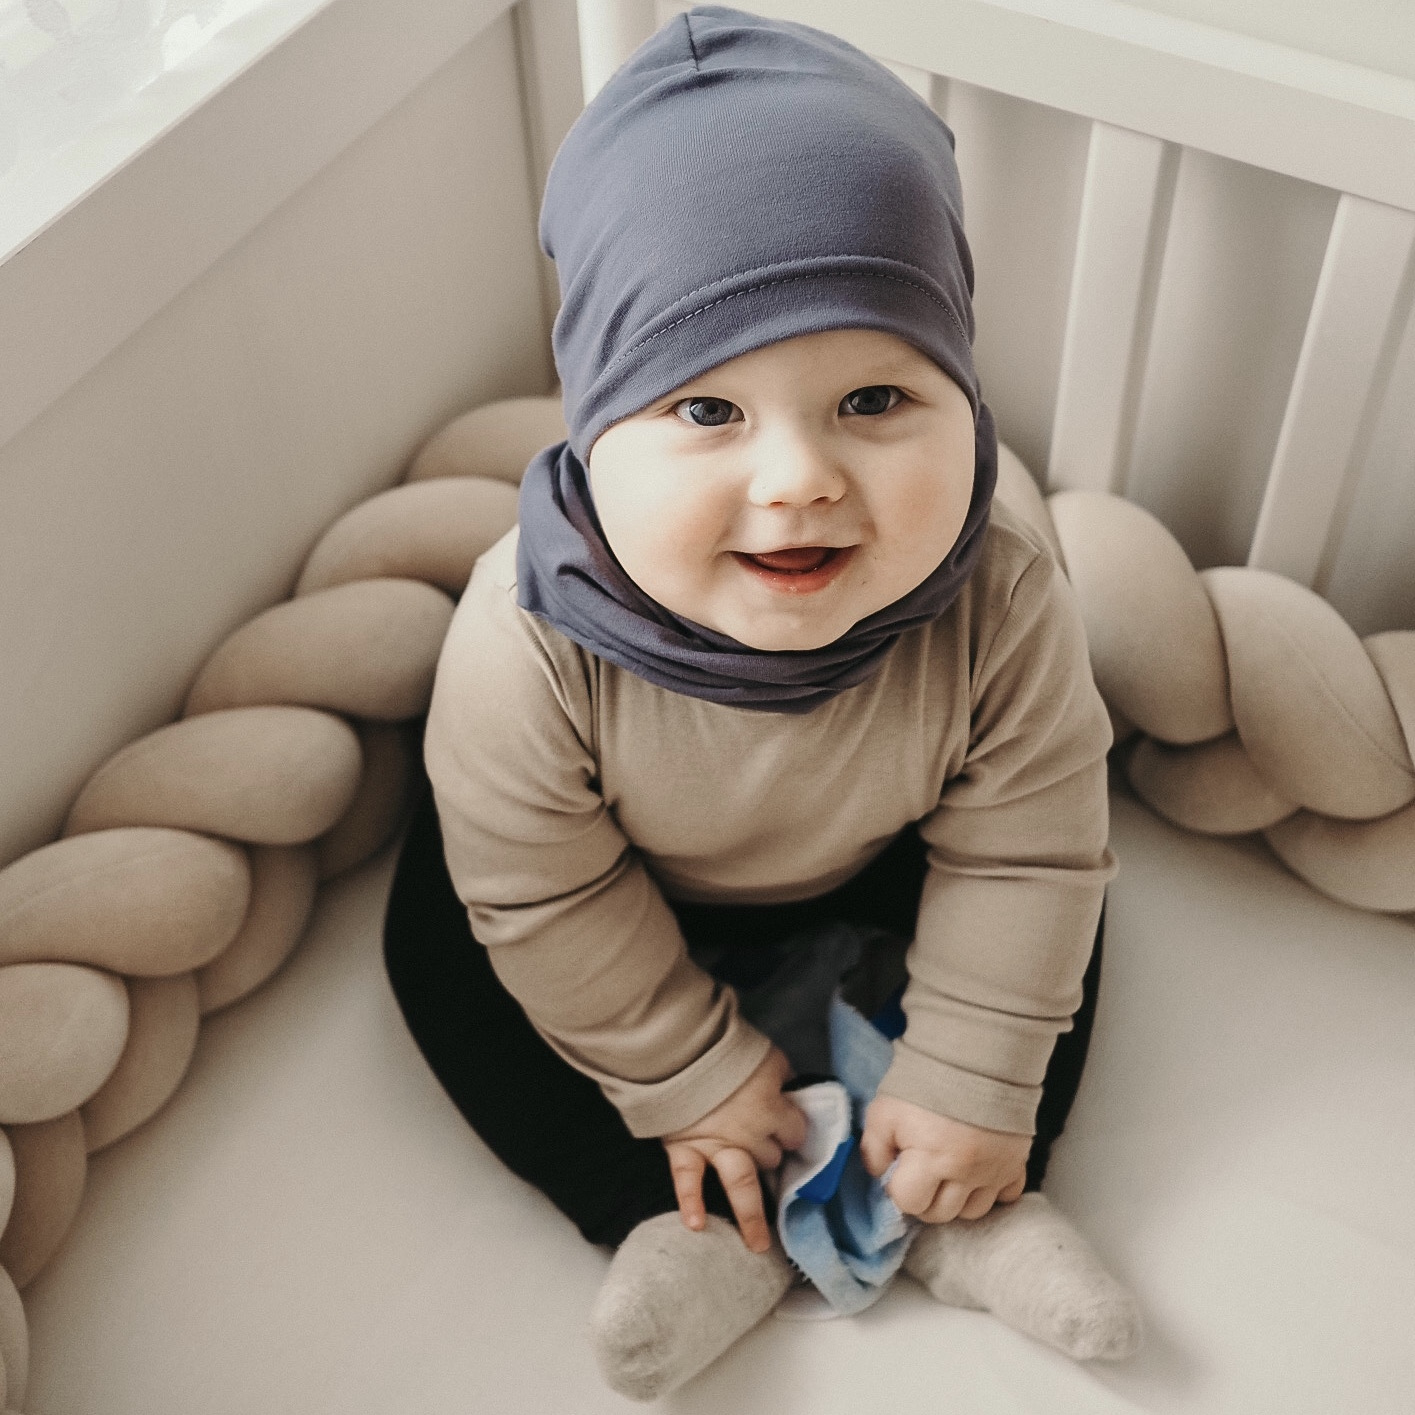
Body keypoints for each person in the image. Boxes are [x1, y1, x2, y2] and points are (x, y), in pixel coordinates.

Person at [383, 4, 1142, 1399]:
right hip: (601, 887)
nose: (796, 478)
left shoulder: (1002, 598)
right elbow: (539, 892)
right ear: (592, 423)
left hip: (883, 849)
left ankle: (962, 1190)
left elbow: (1027, 845)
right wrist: (680, 1068)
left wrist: (977, 1065)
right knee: (446, 954)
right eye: (708, 412)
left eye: (871, 398)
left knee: (1066, 930)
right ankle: (680, 1220)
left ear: (964, 398)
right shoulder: (529, 636)